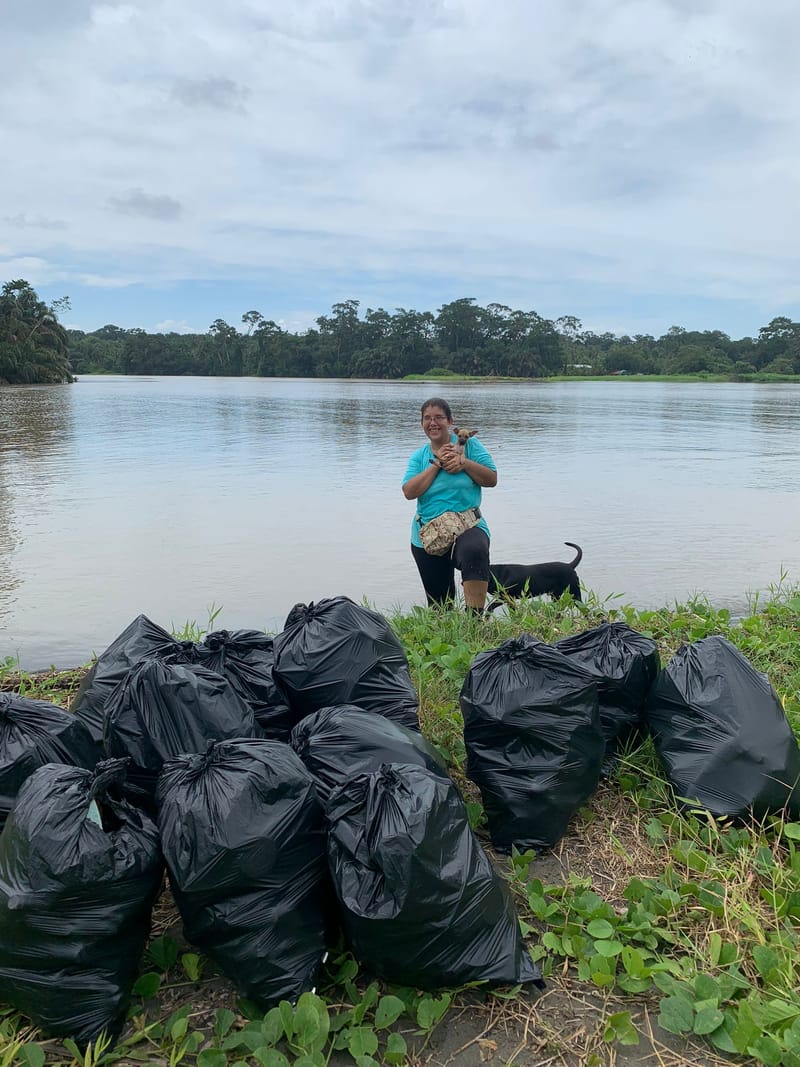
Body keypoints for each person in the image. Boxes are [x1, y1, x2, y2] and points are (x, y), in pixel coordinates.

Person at [402, 397, 497, 612]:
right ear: (421, 424)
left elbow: (492, 479)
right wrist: (438, 464)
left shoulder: (468, 443)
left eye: (439, 418)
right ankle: (446, 634)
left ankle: (474, 621)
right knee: (440, 607)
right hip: (428, 533)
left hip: (468, 525)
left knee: (475, 551)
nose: (433, 423)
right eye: (427, 418)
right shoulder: (420, 456)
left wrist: (464, 463)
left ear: (450, 421)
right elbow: (409, 492)